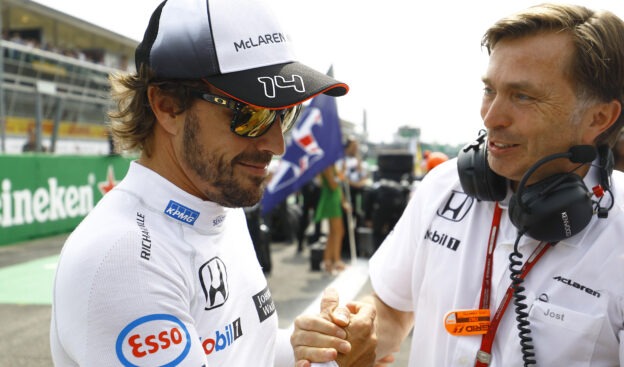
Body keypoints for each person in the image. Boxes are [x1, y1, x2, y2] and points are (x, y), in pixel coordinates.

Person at [291, 3, 624, 366]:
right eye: (489, 90)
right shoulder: (443, 186)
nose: (491, 116)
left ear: (599, 117)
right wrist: (353, 333)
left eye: (523, 96)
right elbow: (392, 310)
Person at [49, 0, 376, 366]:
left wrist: (318, 349)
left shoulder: (218, 203)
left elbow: (249, 351)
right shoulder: (124, 262)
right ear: (168, 106)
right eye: (251, 114)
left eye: (284, 115)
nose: (276, 144)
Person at [314, 163, 348, 273]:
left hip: (334, 199)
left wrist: (343, 202)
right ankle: (335, 260)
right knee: (338, 231)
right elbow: (333, 184)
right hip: (330, 201)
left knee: (335, 232)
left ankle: (328, 261)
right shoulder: (327, 165)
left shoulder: (332, 165)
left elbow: (337, 186)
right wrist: (341, 175)